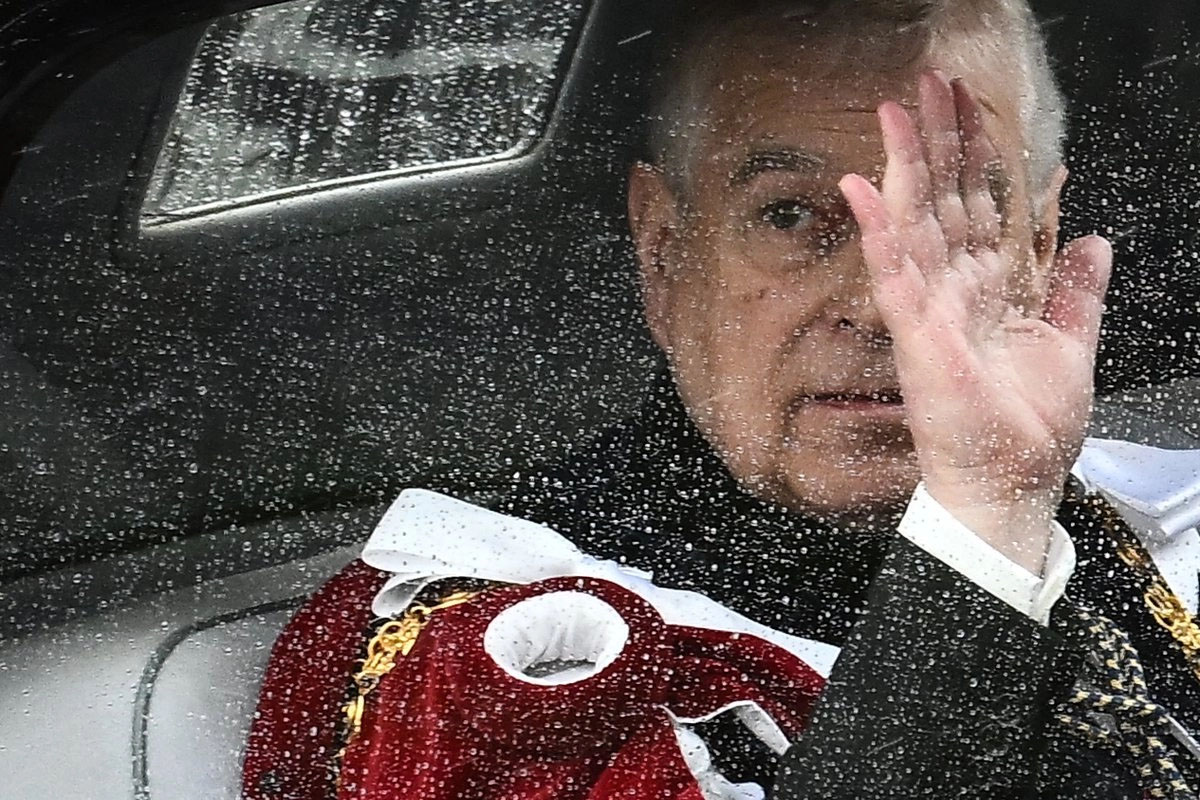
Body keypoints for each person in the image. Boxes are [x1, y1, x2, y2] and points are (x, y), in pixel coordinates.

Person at [241, 1, 1200, 798]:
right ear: (665, 253)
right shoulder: (483, 663)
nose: (882, 305)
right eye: (789, 214)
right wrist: (985, 518)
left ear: (1041, 245)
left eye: (951, 215)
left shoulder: (1167, 516)